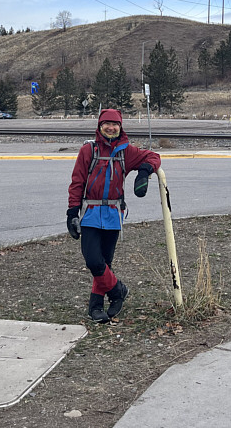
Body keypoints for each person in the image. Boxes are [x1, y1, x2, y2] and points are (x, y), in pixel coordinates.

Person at [67, 108, 161, 323]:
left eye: (115, 124)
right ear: (99, 127)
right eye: (106, 124)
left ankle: (96, 306)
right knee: (93, 261)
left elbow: (154, 157)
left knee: (105, 263)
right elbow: (77, 182)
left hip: (113, 215)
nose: (111, 127)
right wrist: (72, 212)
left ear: (120, 127)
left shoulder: (125, 152)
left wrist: (144, 171)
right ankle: (118, 291)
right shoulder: (88, 151)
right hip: (90, 213)